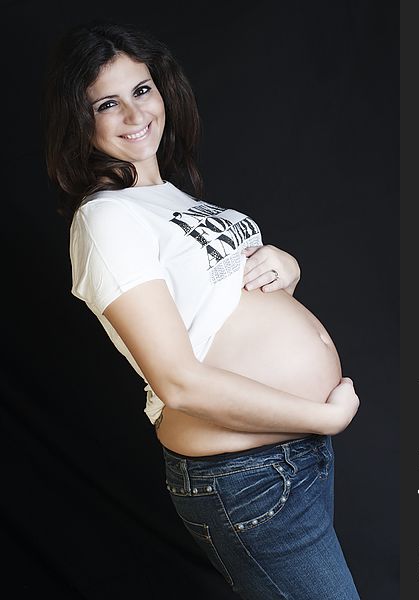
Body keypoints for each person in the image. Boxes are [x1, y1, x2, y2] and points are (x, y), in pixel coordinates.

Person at [43, 21, 361, 599]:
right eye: (107, 103)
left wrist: (284, 265)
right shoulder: (105, 218)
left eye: (142, 90)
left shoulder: (171, 198)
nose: (135, 115)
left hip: (286, 456)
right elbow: (179, 382)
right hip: (250, 475)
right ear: (80, 120)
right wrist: (324, 417)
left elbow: (219, 304)